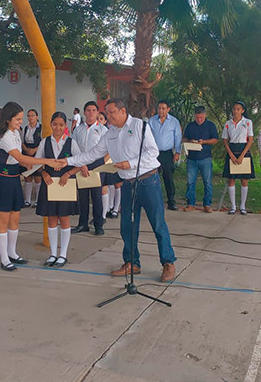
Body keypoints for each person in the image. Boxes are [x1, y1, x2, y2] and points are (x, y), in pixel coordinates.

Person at [58, 99, 177, 283]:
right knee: (128, 226)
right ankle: (131, 263)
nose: (108, 115)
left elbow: (152, 152)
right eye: (107, 112)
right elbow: (93, 153)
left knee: (158, 223)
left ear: (123, 111)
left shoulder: (139, 126)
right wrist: (69, 162)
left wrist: (130, 163)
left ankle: (168, 262)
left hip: (148, 181)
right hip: (128, 183)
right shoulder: (110, 133)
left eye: (112, 112)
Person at [0, 101, 59, 271]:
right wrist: (46, 161)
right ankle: (4, 258)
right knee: (3, 220)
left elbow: (18, 159)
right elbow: (20, 157)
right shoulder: (4, 136)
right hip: (2, 179)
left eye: (21, 118)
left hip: (13, 177)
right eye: (17, 119)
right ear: (8, 119)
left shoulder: (15, 133)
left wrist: (27, 165)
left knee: (15, 218)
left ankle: (12, 253)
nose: (20, 122)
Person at [36, 112, 83, 267]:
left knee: (64, 218)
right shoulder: (44, 142)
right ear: (50, 124)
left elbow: (80, 162)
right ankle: (52, 254)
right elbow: (37, 163)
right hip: (49, 184)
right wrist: (43, 173)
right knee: (51, 218)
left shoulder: (71, 142)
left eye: (61, 125)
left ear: (65, 126)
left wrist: (68, 173)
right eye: (55, 124)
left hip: (65, 185)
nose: (58, 127)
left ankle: (63, 254)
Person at [70, 101, 107, 235]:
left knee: (97, 196)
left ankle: (98, 225)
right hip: (81, 164)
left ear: (97, 112)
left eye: (93, 110)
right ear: (84, 112)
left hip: (97, 165)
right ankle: (83, 224)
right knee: (83, 196)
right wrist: (81, 164)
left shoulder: (103, 130)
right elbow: (74, 147)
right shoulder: (78, 129)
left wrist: (103, 163)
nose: (91, 113)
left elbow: (107, 149)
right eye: (88, 110)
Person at [181, 106, 219, 212]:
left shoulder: (210, 125)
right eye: (197, 118)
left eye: (201, 118)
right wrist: (189, 141)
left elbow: (215, 139)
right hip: (192, 158)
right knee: (190, 182)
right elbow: (184, 138)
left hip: (205, 157)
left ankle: (207, 204)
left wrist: (204, 142)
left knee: (207, 182)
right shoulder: (190, 126)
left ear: (205, 115)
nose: (199, 120)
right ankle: (191, 203)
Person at [148, 100, 183, 211]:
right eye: (159, 108)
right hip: (154, 153)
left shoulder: (174, 121)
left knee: (168, 177)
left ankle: (171, 201)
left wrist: (177, 152)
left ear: (168, 109)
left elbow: (177, 137)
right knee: (153, 177)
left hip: (167, 153)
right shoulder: (151, 121)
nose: (161, 110)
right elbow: (147, 137)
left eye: (163, 108)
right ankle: (154, 201)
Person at [222, 101, 255, 215]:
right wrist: (230, 154)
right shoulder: (228, 123)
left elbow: (250, 140)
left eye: (238, 109)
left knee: (244, 180)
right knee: (231, 179)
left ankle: (242, 206)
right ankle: (233, 206)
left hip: (243, 151)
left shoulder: (248, 122)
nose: (235, 111)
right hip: (232, 150)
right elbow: (225, 140)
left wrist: (242, 155)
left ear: (243, 111)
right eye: (234, 109)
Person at [97, 111, 120, 218]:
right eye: (98, 118)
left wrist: (104, 160)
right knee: (106, 186)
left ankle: (115, 208)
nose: (99, 121)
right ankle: (107, 208)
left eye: (101, 119)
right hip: (100, 161)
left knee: (115, 184)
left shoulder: (107, 131)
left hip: (111, 161)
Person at [21, 109, 42, 207]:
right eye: (29, 116)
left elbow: (43, 142)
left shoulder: (41, 128)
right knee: (27, 177)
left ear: (37, 116)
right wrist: (26, 149)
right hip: (27, 153)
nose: (31, 118)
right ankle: (27, 200)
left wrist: (34, 150)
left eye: (33, 115)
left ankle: (38, 200)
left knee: (38, 177)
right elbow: (22, 141)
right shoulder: (26, 128)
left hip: (38, 153)